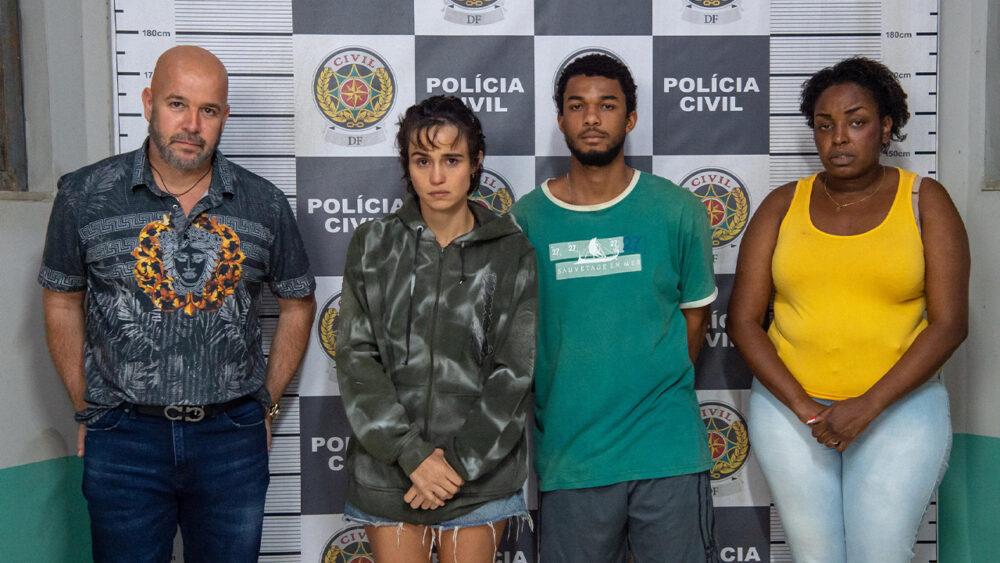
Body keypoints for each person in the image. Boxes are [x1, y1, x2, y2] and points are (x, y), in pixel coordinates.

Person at [39, 46, 316, 562]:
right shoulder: (85, 194)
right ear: (147, 102)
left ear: (224, 116)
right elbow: (61, 299)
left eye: (208, 110)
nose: (191, 124)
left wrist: (267, 405)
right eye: (176, 104)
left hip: (231, 439)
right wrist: (88, 405)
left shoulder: (264, 203)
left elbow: (299, 303)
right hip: (124, 439)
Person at [727, 57, 969, 563]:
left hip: (900, 410)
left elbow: (949, 325)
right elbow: (744, 322)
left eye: (856, 122)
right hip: (792, 413)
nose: (839, 138)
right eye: (824, 125)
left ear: (885, 127)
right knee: (814, 556)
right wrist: (801, 405)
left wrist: (868, 406)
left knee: (879, 553)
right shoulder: (781, 205)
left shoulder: (926, 201)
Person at [510, 54, 719, 562]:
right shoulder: (525, 220)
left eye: (607, 105)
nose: (591, 118)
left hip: (666, 452)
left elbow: (694, 324)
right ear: (560, 119)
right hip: (571, 457)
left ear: (630, 119)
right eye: (577, 106)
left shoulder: (677, 210)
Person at [335, 95, 537, 563]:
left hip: (479, 477)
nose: (438, 176)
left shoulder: (512, 251)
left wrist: (456, 465)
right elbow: (357, 358)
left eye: (452, 159)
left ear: (476, 162)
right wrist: (412, 457)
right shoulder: (373, 243)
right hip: (391, 475)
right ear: (408, 164)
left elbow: (515, 370)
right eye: (422, 160)